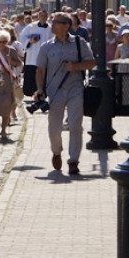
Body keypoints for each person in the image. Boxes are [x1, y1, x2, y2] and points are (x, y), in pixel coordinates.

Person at [34, 12, 95, 176]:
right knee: (54, 129)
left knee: (75, 125)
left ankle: (73, 160)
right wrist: (40, 89)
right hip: (54, 92)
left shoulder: (79, 43)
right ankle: (56, 151)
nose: (52, 25)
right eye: (52, 22)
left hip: (75, 89)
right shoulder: (46, 47)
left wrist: (75, 67)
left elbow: (91, 63)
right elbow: (40, 70)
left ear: (66, 25)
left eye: (55, 23)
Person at [20, 8, 52, 97]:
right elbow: (22, 38)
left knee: (43, 76)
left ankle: (42, 93)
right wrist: (30, 41)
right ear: (38, 16)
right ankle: (31, 93)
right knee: (31, 76)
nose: (43, 17)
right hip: (32, 56)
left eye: (45, 16)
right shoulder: (31, 27)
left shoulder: (50, 28)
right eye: (41, 15)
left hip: (45, 56)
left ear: (47, 17)